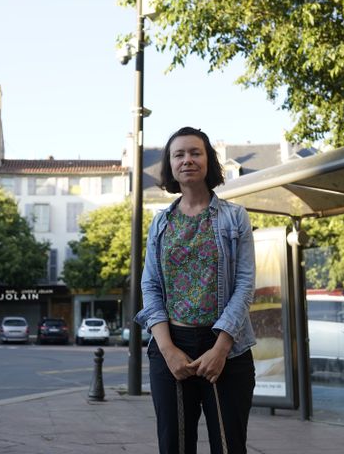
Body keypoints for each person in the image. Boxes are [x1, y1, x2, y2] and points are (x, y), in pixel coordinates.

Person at [135, 127, 256, 454]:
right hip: (171, 345)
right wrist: (167, 349)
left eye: (195, 152)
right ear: (170, 165)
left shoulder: (234, 218)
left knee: (229, 446)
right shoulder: (160, 223)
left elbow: (245, 284)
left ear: (208, 161)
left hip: (225, 349)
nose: (187, 160)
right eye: (179, 154)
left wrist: (220, 349)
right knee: (174, 445)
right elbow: (150, 285)